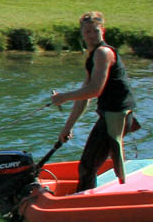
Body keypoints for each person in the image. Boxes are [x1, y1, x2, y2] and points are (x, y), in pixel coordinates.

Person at [50, 10, 138, 192]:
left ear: (102, 31)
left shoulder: (103, 53)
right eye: (87, 32)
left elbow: (95, 90)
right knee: (89, 165)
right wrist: (68, 127)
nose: (91, 36)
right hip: (109, 115)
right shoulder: (92, 55)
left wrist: (63, 97)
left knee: (87, 166)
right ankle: (86, 196)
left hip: (117, 117)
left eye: (95, 31)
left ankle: (82, 203)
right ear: (82, 34)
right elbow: (84, 97)